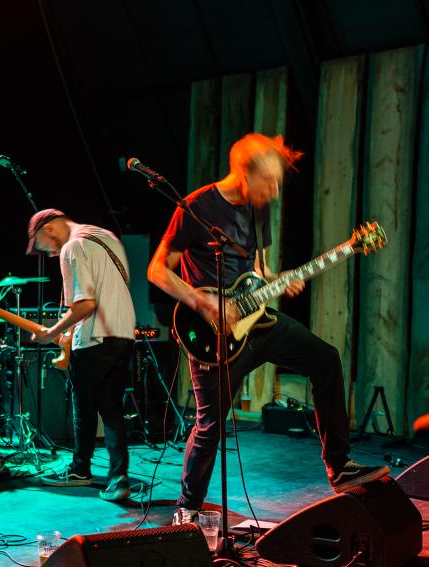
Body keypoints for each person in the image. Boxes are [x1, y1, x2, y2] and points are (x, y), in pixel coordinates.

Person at [147, 133, 389, 525]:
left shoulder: (258, 210)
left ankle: (339, 466)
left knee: (325, 359)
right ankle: (187, 509)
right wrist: (202, 301)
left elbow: (255, 271)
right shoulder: (196, 206)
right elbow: (157, 269)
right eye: (270, 181)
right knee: (210, 426)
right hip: (214, 335)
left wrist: (280, 279)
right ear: (244, 173)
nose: (275, 190)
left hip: (257, 323)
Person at [26, 209, 136, 502]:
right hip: (124, 332)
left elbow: (84, 305)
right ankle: (116, 474)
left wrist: (51, 333)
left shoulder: (72, 247)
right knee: (111, 409)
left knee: (84, 407)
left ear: (48, 229)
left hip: (95, 338)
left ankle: (82, 470)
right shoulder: (107, 237)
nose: (49, 253)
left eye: (43, 245)